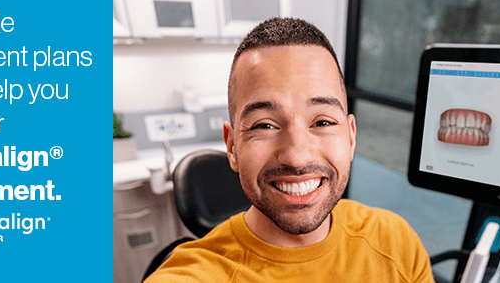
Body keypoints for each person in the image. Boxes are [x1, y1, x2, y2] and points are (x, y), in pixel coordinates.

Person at [144, 17, 434, 283]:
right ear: (232, 147)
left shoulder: (395, 241)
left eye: (322, 121)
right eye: (264, 126)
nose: (297, 156)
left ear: (350, 137)